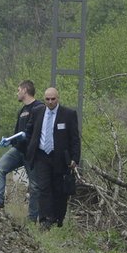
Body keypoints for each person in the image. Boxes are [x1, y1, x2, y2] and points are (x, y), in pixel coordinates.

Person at [23, 86, 81, 228]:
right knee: (43, 188)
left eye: (53, 99)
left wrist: (75, 158)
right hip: (42, 155)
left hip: (60, 157)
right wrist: (29, 146)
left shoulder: (68, 114)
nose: (50, 102)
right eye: (47, 99)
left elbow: (75, 138)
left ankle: (57, 218)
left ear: (58, 98)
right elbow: (29, 131)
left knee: (58, 190)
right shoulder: (37, 112)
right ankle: (44, 220)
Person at [0, 80, 42, 221]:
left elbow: (36, 132)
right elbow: (17, 132)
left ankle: (32, 219)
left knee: (35, 186)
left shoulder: (38, 108)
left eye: (18, 89)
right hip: (18, 150)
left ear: (25, 90)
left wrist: (26, 136)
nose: (17, 92)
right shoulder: (22, 111)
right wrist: (9, 140)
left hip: (32, 153)